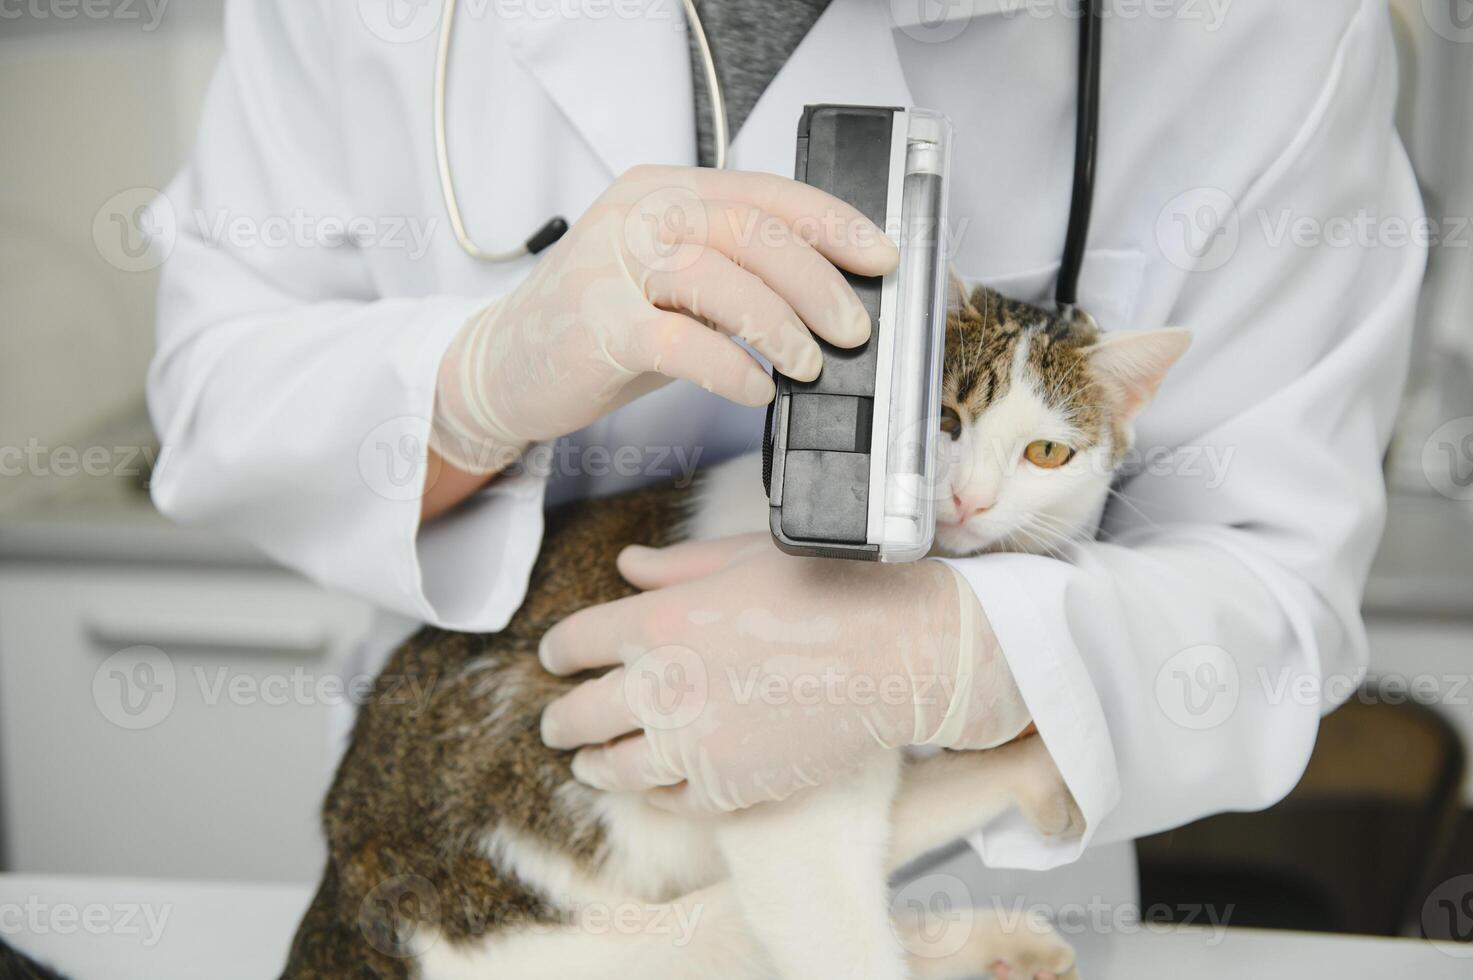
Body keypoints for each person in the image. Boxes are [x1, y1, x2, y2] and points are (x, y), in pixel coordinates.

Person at [147, 0, 1424, 939]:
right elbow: (216, 400)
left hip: (957, 889)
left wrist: (965, 655)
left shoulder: (1269, 30)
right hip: (502, 861)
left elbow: (1278, 594)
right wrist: (479, 379)